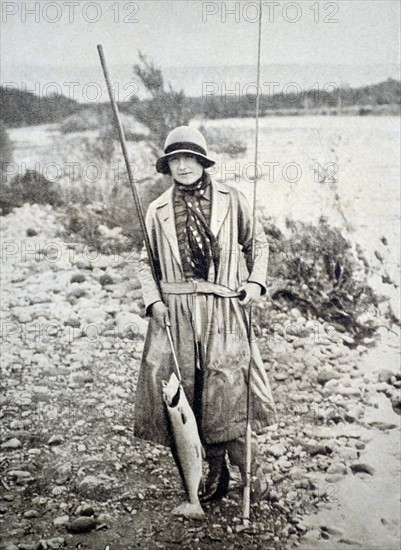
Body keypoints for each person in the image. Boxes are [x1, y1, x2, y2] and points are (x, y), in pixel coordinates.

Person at [134, 126, 276, 503]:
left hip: (225, 307)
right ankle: (215, 471)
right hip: (176, 310)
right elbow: (145, 263)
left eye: (189, 158)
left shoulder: (233, 199)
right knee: (190, 392)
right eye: (175, 159)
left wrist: (255, 284)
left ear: (201, 161)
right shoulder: (156, 209)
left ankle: (252, 472)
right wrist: (155, 303)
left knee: (228, 388)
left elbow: (257, 244)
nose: (183, 166)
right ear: (168, 166)